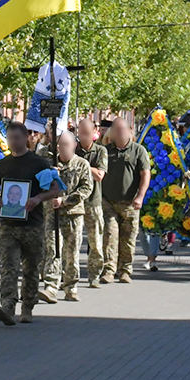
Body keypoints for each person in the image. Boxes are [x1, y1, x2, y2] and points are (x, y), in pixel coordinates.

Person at [0, 121, 53, 325]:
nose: (13, 142)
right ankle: (7, 306)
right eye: (10, 138)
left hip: (32, 224)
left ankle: (28, 306)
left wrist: (38, 198)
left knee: (31, 267)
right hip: (8, 224)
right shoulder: (3, 165)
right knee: (9, 266)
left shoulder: (38, 163)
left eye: (17, 138)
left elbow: (56, 188)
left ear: (26, 138)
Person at [41, 131, 94, 301]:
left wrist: (64, 200)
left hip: (73, 214)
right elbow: (39, 185)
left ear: (74, 145)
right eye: (59, 145)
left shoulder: (82, 164)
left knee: (71, 252)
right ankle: (51, 285)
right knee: (53, 248)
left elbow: (86, 188)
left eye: (65, 144)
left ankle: (70, 286)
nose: (61, 148)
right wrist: (49, 175)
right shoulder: (50, 164)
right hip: (52, 213)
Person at [100, 117, 151, 284]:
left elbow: (145, 175)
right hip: (109, 202)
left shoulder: (138, 150)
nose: (120, 132)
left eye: (123, 129)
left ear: (130, 130)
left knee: (128, 238)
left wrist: (140, 196)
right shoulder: (105, 151)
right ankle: (109, 270)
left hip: (130, 203)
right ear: (112, 133)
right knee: (110, 235)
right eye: (117, 130)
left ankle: (125, 270)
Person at [75, 117, 107, 287]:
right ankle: (70, 275)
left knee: (95, 241)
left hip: (93, 202)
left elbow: (100, 175)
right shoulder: (73, 149)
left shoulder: (100, 151)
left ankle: (94, 275)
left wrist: (81, 163)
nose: (83, 137)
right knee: (74, 240)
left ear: (94, 133)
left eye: (86, 134)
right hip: (76, 201)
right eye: (80, 134)